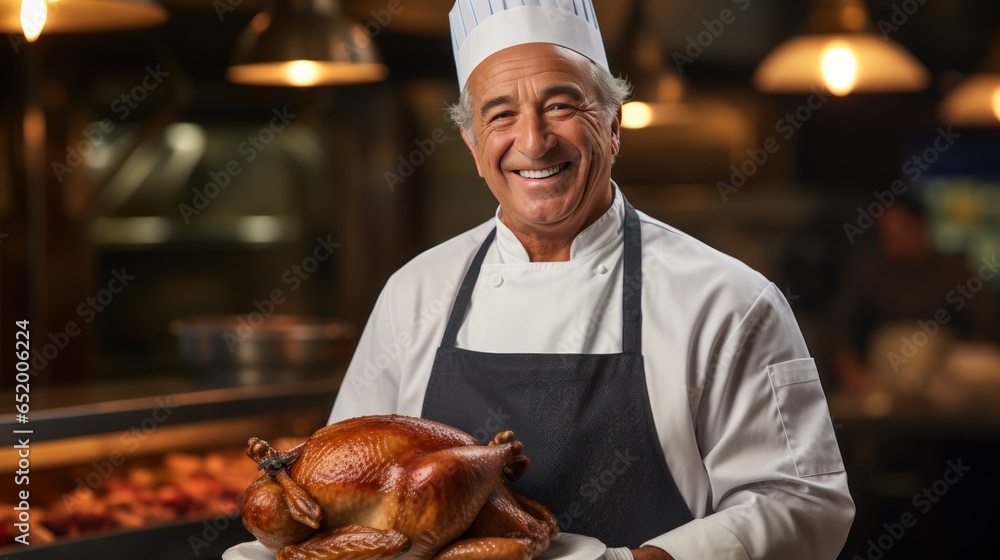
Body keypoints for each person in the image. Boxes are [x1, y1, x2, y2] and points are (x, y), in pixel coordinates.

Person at [331, 1, 855, 559]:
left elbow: (802, 504)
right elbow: (347, 488)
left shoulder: (728, 301)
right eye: (501, 114)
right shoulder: (413, 293)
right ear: (473, 146)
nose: (533, 142)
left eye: (560, 105)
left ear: (612, 124)